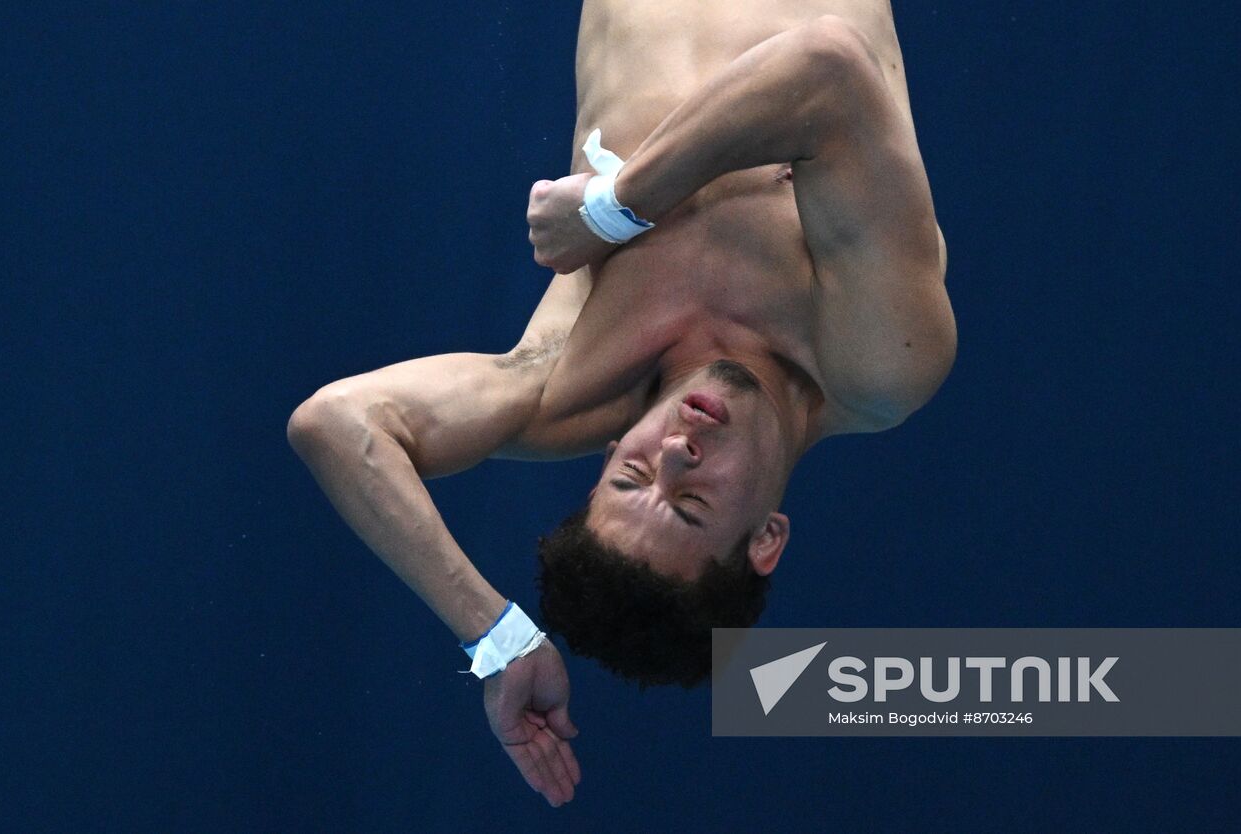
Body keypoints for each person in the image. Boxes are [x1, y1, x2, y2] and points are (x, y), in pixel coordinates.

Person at [288, 0, 954, 807]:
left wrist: (496, 637)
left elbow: (336, 422)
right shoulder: (877, 365)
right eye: (692, 500)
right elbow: (826, 67)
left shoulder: (569, 380)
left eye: (633, 477)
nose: (675, 450)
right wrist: (613, 208)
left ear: (605, 456)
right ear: (767, 538)